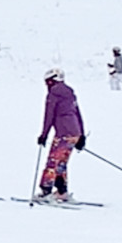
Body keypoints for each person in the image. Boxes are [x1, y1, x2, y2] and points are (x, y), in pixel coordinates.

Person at [36, 69, 85, 202]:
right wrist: (81, 135)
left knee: (53, 161)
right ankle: (61, 191)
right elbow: (77, 113)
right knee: (61, 162)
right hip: (74, 133)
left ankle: (46, 191)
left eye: (47, 82)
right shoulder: (70, 93)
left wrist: (44, 135)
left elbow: (49, 115)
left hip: (63, 133)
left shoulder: (53, 93)